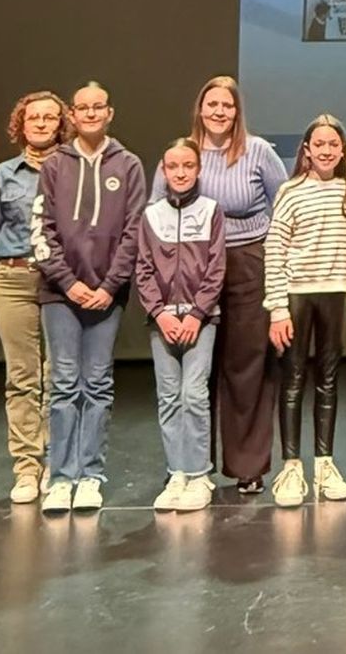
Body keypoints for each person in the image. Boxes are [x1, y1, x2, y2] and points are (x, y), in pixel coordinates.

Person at [151, 76, 288, 495]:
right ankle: (193, 465)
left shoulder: (258, 151)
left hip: (247, 263)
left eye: (227, 105)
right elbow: (154, 214)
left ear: (237, 111)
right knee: (197, 371)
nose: (219, 112)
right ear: (200, 108)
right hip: (191, 270)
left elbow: (283, 206)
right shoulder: (181, 155)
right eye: (211, 104)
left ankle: (247, 465)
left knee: (245, 367)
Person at [34, 81, 146, 513]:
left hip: (107, 294)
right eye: (83, 108)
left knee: (97, 383)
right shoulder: (54, 166)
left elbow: (135, 232)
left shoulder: (130, 164)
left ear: (110, 113)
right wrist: (69, 283)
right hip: (60, 293)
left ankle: (91, 474)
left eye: (99, 106)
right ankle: (61, 476)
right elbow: (40, 231)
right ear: (73, 116)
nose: (91, 113)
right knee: (64, 383)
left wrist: (108, 286)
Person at [265, 116, 346, 507]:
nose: (325, 150)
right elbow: (275, 248)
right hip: (298, 295)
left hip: (335, 292)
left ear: (342, 149)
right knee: (294, 378)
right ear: (306, 149)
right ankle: (290, 467)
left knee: (329, 379)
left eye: (333, 143)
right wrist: (277, 309)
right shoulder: (291, 191)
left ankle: (324, 463)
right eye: (318, 143)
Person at [0, 90, 71, 504]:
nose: (40, 123)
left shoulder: (71, 169)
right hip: (13, 277)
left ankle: (57, 461)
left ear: (61, 124)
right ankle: (26, 466)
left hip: (56, 280)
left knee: (59, 375)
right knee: (22, 377)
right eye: (33, 117)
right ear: (21, 123)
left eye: (49, 117)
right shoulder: (5, 172)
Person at [138, 139, 227, 512]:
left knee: (194, 394)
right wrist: (159, 312)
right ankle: (177, 471)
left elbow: (216, 268)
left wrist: (196, 314)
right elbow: (143, 269)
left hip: (200, 320)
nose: (179, 172)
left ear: (198, 169)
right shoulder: (151, 215)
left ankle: (198, 473)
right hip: (162, 322)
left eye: (187, 166)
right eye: (173, 166)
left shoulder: (211, 211)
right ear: (163, 168)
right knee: (169, 396)